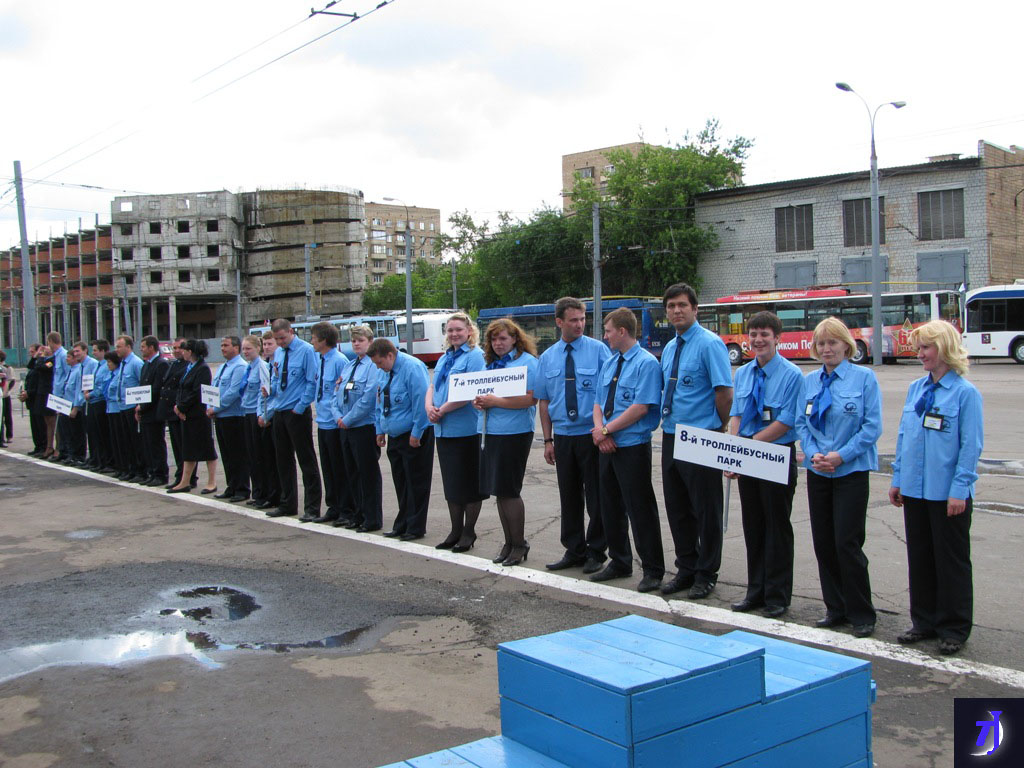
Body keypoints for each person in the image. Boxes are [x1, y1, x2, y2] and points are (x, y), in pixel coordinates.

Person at [889, 320, 983, 656]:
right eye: (918, 348)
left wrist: (961, 488)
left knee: (951, 561)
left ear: (944, 349)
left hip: (947, 493)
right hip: (915, 489)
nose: (920, 355)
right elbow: (905, 437)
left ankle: (954, 627)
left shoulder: (965, 393)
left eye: (925, 348)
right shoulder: (917, 389)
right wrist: (898, 478)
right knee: (921, 557)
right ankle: (924, 621)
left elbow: (970, 447)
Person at [795, 317, 881, 638]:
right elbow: (801, 423)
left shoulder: (864, 379)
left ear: (847, 345)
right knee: (824, 543)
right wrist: (816, 452)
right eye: (821, 343)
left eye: (833, 342)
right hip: (819, 470)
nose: (827, 348)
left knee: (847, 542)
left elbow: (871, 427)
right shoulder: (810, 381)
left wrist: (840, 455)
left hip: (850, 471)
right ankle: (836, 607)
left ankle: (862, 612)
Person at [659, 283, 734, 599]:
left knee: (706, 510)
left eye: (682, 305)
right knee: (678, 509)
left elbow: (724, 392)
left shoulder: (709, 344)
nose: (677, 310)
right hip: (671, 435)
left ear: (695, 309)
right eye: (671, 306)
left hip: (702, 438)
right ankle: (686, 568)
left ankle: (706, 573)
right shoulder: (669, 347)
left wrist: (719, 428)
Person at [725, 312, 803, 618]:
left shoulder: (792, 374)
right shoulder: (743, 373)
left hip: (775, 455)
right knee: (753, 527)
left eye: (764, 335)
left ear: (777, 338)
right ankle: (755, 591)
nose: (758, 340)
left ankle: (777, 596)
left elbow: (786, 421)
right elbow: (736, 415)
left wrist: (748, 447)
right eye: (753, 334)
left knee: (777, 528)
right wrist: (733, 452)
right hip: (748, 456)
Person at [589, 307, 666, 593]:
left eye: (608, 331)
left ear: (622, 331)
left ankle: (653, 569)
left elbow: (641, 407)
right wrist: (600, 433)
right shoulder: (611, 363)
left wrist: (608, 430)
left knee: (640, 508)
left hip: (632, 445)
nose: (605, 336)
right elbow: (598, 402)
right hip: (606, 444)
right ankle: (620, 561)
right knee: (610, 506)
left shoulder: (646, 363)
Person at [536, 297, 611, 574]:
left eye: (582, 319)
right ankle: (574, 549)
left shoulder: (599, 351)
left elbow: (606, 395)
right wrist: (548, 440)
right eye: (573, 320)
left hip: (590, 434)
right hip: (564, 436)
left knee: (596, 497)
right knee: (569, 497)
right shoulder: (548, 357)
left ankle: (596, 551)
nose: (580, 324)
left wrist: (603, 431)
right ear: (559, 322)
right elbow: (544, 401)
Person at [474, 318, 539, 567]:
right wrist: (478, 401)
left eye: (503, 338)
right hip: (491, 432)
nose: (498, 343)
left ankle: (520, 543)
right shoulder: (489, 364)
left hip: (514, 433)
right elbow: (481, 393)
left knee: (509, 490)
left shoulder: (527, 363)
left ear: (514, 338)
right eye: (494, 339)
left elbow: (530, 399)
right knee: (498, 490)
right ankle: (510, 542)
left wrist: (495, 402)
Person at [425, 312, 487, 551]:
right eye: (450, 330)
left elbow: (470, 390)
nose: (454, 334)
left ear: (469, 331)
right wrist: (429, 407)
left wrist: (441, 410)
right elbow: (432, 385)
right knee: (452, 484)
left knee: (469, 484)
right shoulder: (445, 357)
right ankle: (455, 530)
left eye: (459, 330)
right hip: (443, 430)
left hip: (467, 430)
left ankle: (469, 532)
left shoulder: (475, 357)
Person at [370, 338, 433, 539]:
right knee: (401, 481)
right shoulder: (384, 372)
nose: (378, 367)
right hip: (395, 434)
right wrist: (380, 429)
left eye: (380, 362)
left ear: (390, 355)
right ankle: (402, 523)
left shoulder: (412, 368)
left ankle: (415, 527)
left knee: (416, 482)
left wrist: (417, 433)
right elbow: (380, 401)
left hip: (413, 434)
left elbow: (421, 401)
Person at [264, 319, 321, 519]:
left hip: (297, 411)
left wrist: (300, 406)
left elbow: (311, 381)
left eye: (282, 338)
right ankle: (287, 503)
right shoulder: (279, 353)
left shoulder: (306, 351)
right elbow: (276, 377)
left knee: (306, 459)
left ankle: (312, 507)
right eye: (277, 339)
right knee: (283, 460)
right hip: (280, 409)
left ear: (291, 332)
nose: (280, 342)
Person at [334, 325, 382, 530]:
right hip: (345, 426)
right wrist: (338, 416)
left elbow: (369, 398)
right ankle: (358, 514)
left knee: (367, 474)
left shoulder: (373, 366)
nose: (356, 344)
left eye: (360, 340)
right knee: (352, 473)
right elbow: (335, 394)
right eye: (353, 340)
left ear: (370, 342)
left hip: (363, 426)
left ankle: (372, 517)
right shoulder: (349, 366)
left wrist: (349, 419)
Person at [307, 322, 351, 523]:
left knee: (339, 468)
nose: (312, 342)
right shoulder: (320, 359)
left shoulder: (339, 361)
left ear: (324, 340)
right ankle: (333, 506)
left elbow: (341, 393)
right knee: (328, 468)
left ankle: (344, 508)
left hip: (334, 423)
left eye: (314, 338)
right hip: (322, 421)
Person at [168, 339, 218, 494]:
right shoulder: (189, 367)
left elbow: (197, 391)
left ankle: (212, 481)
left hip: (198, 415)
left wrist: (182, 407)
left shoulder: (202, 369)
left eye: (185, 350)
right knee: (188, 449)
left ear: (191, 352)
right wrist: (178, 406)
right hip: (187, 414)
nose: (182, 352)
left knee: (207, 448)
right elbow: (181, 388)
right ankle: (185, 480)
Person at [209, 336, 250, 503]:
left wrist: (215, 408)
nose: (222, 348)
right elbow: (213, 390)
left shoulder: (240, 367)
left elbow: (233, 393)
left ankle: (242, 488)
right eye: (221, 345)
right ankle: (231, 485)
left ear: (236, 347)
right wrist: (209, 408)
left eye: (226, 345)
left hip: (234, 417)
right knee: (226, 454)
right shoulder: (222, 367)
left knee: (238, 455)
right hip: (221, 417)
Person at [241, 335, 273, 509]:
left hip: (256, 413)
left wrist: (264, 414)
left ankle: (263, 493)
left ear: (258, 349)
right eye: (244, 349)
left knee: (259, 456)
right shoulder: (249, 367)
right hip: (247, 412)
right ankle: (257, 491)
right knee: (252, 456)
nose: (246, 352)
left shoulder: (262, 367)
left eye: (249, 349)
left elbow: (265, 392)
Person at [159, 338, 196, 489]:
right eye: (173, 348)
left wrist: (181, 406)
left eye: (179, 348)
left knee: (185, 447)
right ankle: (180, 475)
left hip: (182, 410)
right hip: (172, 410)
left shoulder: (190, 366)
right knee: (177, 446)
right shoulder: (173, 364)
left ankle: (188, 478)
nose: (176, 350)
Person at [109, 335, 145, 481]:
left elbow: (142, 384)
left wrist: (139, 405)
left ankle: (140, 471)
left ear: (128, 347)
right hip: (121, 407)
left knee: (135, 441)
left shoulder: (136, 363)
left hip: (132, 407)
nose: (116, 349)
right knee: (126, 442)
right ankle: (130, 469)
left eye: (119, 346)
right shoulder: (123, 363)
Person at [135, 336, 170, 486]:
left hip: (154, 410)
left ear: (151, 347)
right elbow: (142, 388)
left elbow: (156, 390)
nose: (141, 349)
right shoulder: (146, 365)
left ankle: (160, 473)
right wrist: (139, 406)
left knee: (156, 443)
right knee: (147, 443)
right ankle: (151, 471)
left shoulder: (160, 364)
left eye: (143, 347)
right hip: (145, 411)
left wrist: (143, 406)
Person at [253, 332, 281, 510]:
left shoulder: (275, 365)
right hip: (264, 415)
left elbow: (278, 395)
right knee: (266, 459)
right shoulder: (269, 365)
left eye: (270, 344)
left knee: (276, 460)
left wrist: (267, 416)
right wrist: (259, 413)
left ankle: (276, 495)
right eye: (265, 344)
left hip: (273, 416)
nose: (266, 347)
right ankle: (270, 494)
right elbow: (261, 393)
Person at [83, 340, 114, 471]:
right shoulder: (98, 366)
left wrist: (91, 394)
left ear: (103, 351)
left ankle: (108, 462)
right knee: (96, 435)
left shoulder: (106, 366)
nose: (93, 352)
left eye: (95, 350)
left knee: (103, 434)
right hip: (93, 402)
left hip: (100, 401)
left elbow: (103, 387)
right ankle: (99, 460)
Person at [46, 331, 71, 460]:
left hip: (62, 395)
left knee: (62, 425)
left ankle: (62, 450)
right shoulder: (56, 356)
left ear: (51, 341)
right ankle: (60, 449)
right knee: (59, 424)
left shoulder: (63, 355)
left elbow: (68, 373)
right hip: (57, 394)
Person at [20, 344, 47, 455]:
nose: (31, 354)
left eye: (32, 352)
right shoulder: (34, 364)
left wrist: (39, 356)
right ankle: (38, 446)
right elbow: (30, 366)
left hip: (38, 398)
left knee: (40, 425)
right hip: (31, 400)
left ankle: (43, 447)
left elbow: (38, 382)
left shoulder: (44, 363)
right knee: (34, 426)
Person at [0, 350, 14, 447]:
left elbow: (11, 381)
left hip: (5, 395)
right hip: (1, 395)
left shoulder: (7, 368)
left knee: (7, 416)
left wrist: (6, 392)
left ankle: (9, 435)